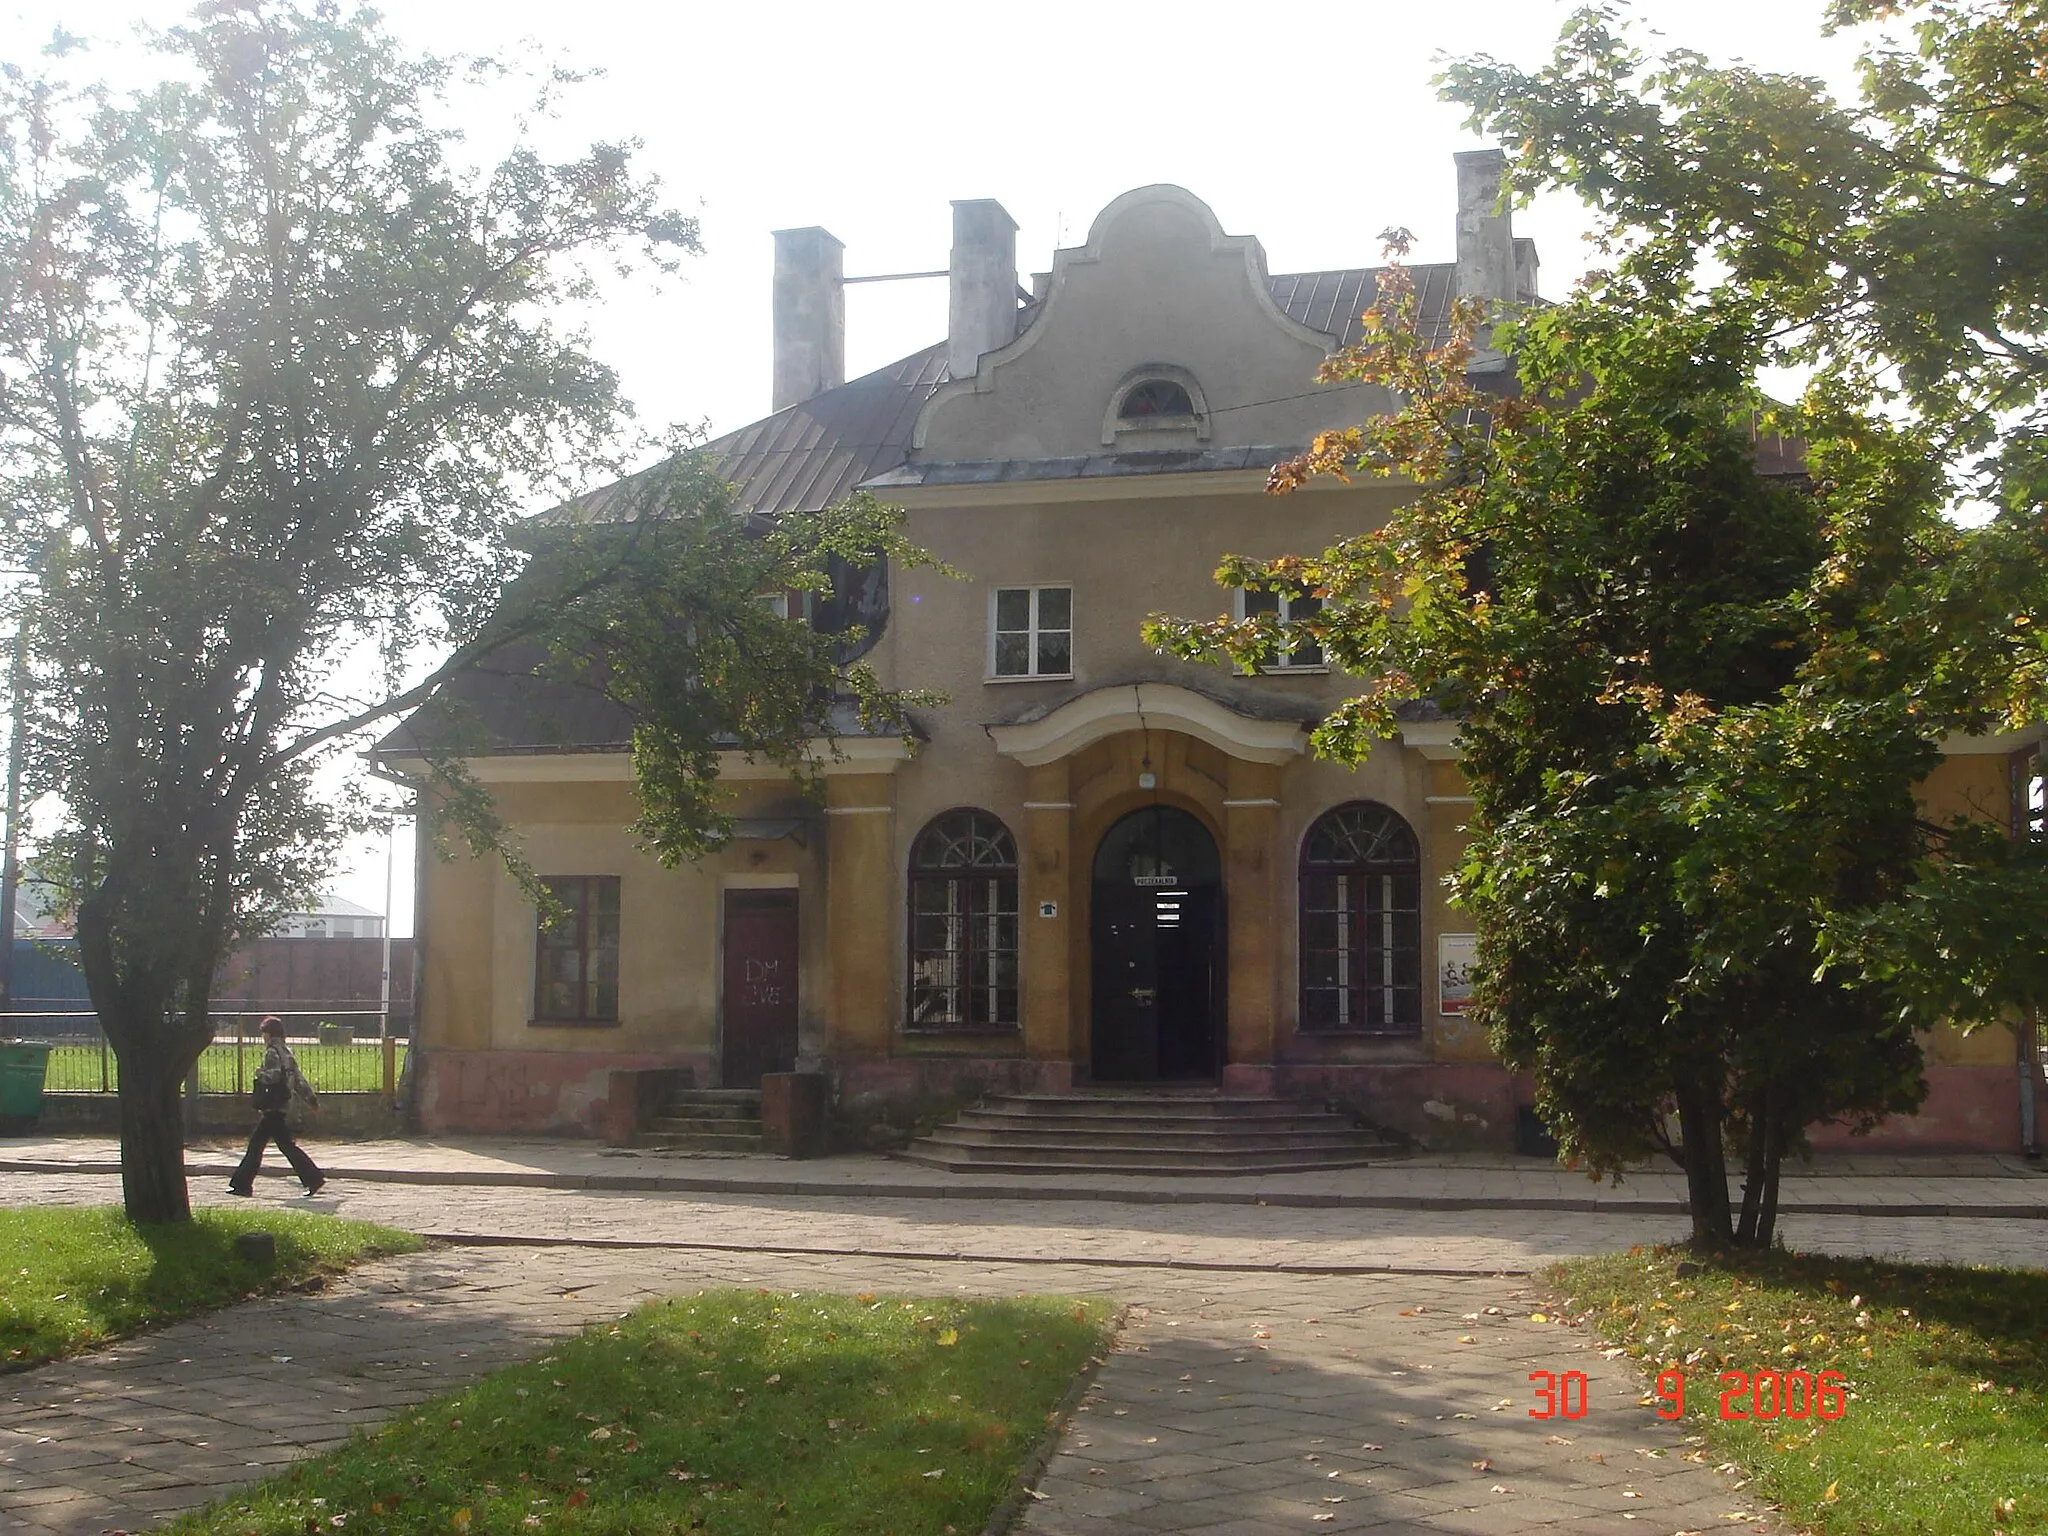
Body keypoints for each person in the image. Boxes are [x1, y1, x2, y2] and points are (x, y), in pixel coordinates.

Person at [228, 1017, 326, 1197]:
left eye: (263, 1033)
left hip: (272, 1106)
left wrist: (259, 1073)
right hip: (282, 1104)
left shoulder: (271, 1052)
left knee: (257, 1145)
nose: (262, 1037)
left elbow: (272, 1077)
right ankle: (313, 1179)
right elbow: (298, 1080)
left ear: (268, 1033)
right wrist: (311, 1100)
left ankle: (242, 1185)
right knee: (284, 1146)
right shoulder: (287, 1052)